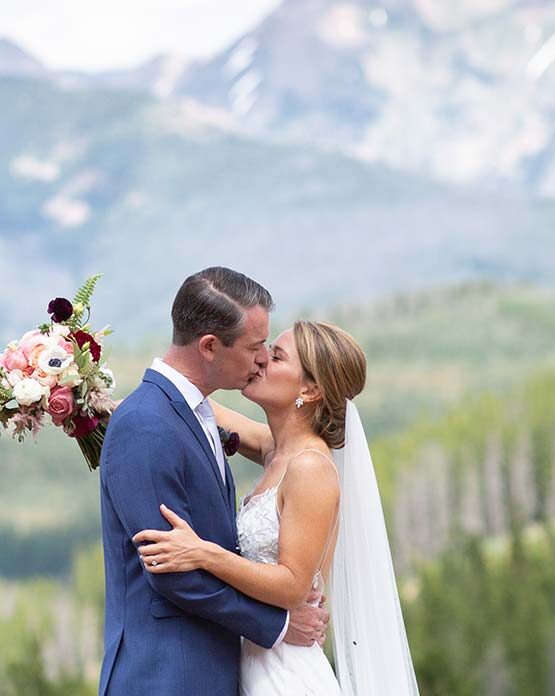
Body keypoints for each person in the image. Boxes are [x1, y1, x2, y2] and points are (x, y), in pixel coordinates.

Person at [133, 319, 419, 695]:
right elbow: (179, 403)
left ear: (311, 389)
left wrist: (202, 553)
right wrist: (88, 403)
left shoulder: (310, 468)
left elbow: (291, 587)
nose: (262, 360)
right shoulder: (276, 449)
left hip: (286, 674)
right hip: (255, 659)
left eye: (278, 356)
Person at [97, 267, 330, 696]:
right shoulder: (146, 425)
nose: (262, 359)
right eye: (256, 347)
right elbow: (171, 573)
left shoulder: (198, 414)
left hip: (217, 671)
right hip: (166, 676)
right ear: (209, 347)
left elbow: (278, 446)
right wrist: (277, 624)